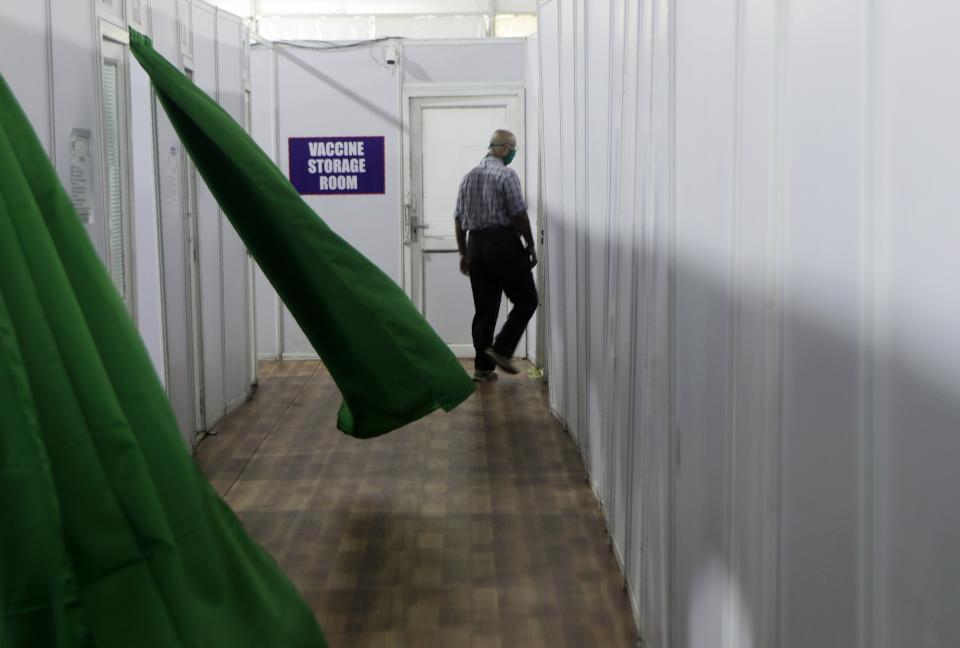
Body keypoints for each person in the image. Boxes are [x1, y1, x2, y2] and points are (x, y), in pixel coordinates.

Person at [454, 129, 538, 382]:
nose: (513, 153)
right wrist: (530, 243)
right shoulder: (506, 175)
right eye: (512, 148)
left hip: (476, 245)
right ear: (501, 149)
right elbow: (518, 213)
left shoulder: (468, 178)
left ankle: (482, 368)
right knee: (527, 299)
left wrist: (463, 252)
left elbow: (458, 218)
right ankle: (502, 350)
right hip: (502, 242)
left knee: (485, 308)